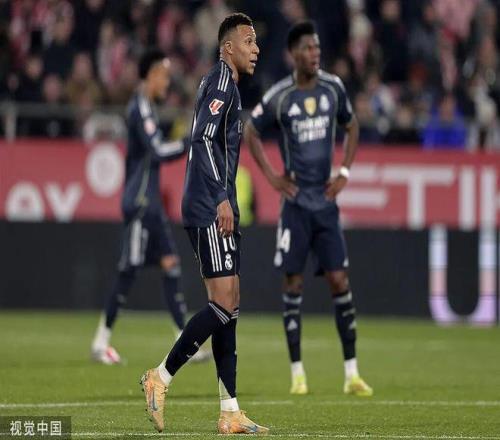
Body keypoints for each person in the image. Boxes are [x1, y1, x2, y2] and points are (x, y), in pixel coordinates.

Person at [139, 13, 268, 434]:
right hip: (207, 205)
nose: (256, 49)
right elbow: (203, 138)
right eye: (248, 41)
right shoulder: (222, 83)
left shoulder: (223, 83)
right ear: (228, 47)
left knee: (229, 303)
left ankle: (230, 411)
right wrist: (221, 197)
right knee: (224, 302)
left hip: (212, 203)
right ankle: (160, 377)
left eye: (256, 42)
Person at [244, 20, 373, 397]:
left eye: (317, 47)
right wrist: (272, 176)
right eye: (308, 48)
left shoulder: (333, 87)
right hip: (296, 205)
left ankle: (352, 374)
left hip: (326, 203)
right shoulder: (281, 95)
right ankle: (297, 374)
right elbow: (251, 130)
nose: (315, 53)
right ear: (293, 54)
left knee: (339, 281)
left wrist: (344, 171)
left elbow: (352, 126)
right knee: (293, 283)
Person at [91, 49, 210, 365]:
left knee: (170, 264)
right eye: (164, 76)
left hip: (152, 204)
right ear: (152, 74)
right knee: (128, 269)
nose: (167, 83)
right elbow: (157, 150)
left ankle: (183, 342)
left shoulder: (147, 108)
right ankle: (101, 342)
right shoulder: (140, 109)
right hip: (140, 203)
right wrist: (189, 142)